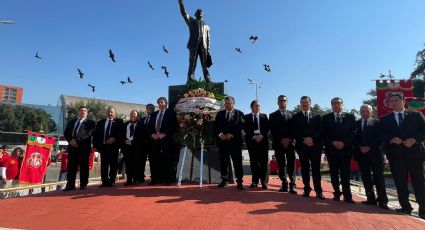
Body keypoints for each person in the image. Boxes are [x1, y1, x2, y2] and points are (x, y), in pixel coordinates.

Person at [379, 93, 425, 218]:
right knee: (400, 183)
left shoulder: (416, 115)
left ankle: (423, 209)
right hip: (396, 156)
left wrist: (415, 140)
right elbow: (381, 135)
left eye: (396, 100)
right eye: (391, 101)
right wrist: (391, 139)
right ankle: (405, 207)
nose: (393, 102)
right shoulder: (385, 119)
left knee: (419, 182)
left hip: (415, 155)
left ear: (403, 101)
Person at [322, 97, 356, 204]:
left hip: (345, 150)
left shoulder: (350, 117)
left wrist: (344, 143)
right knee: (334, 173)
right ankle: (337, 193)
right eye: (334, 104)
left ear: (342, 105)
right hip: (331, 150)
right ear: (331, 105)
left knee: (345, 173)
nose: (337, 105)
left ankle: (347, 195)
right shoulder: (326, 117)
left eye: (339, 103)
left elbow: (354, 132)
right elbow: (323, 133)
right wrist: (332, 142)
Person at [354, 104, 388, 209]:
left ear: (371, 111)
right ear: (360, 112)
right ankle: (371, 199)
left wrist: (369, 147)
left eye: (367, 111)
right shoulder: (356, 123)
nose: (364, 113)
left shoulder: (378, 123)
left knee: (379, 177)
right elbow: (354, 137)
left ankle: (383, 200)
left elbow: (381, 138)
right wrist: (360, 147)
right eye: (362, 111)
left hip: (375, 154)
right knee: (365, 177)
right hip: (361, 155)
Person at [291, 96, 325, 199]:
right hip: (302, 146)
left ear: (310, 103)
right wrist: (304, 140)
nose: (304, 104)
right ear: (300, 104)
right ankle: (307, 189)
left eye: (306, 102)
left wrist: (312, 139)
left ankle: (319, 191)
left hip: (315, 146)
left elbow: (321, 130)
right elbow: (294, 130)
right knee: (304, 169)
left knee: (316, 170)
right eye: (302, 102)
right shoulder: (296, 116)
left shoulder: (318, 115)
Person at [214, 96, 245, 190]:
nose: (228, 105)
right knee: (224, 162)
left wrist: (231, 134)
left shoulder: (240, 113)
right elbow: (216, 126)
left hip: (235, 142)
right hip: (223, 142)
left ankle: (239, 181)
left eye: (230, 103)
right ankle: (224, 180)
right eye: (226, 103)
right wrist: (220, 134)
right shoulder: (220, 114)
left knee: (237, 162)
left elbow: (241, 126)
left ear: (234, 104)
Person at [178, 0, 212, 82]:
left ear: (203, 15)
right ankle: (190, 78)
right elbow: (184, 13)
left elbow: (208, 39)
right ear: (195, 14)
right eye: (198, 12)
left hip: (203, 46)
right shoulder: (191, 21)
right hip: (194, 45)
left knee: (205, 64)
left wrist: (208, 49)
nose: (200, 13)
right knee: (192, 62)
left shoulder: (207, 27)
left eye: (201, 12)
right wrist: (181, 2)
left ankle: (207, 78)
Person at [63, 106, 95, 191]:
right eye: (81, 110)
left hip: (83, 148)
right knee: (71, 167)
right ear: (78, 112)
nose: (83, 112)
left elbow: (88, 134)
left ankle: (83, 184)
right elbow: (66, 133)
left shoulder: (90, 122)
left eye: (85, 111)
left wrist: (77, 141)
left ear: (87, 113)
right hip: (72, 147)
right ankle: (70, 185)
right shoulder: (72, 121)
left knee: (84, 167)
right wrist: (70, 141)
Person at [269, 95, 296, 194]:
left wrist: (289, 139)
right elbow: (272, 130)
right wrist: (281, 140)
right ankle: (284, 183)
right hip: (278, 143)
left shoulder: (293, 114)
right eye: (280, 101)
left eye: (284, 100)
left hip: (290, 143)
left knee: (291, 164)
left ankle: (292, 185)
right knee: (281, 164)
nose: (282, 102)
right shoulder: (272, 115)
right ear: (277, 103)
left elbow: (295, 129)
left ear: (287, 102)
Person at [148, 97, 178, 185]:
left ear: (166, 103)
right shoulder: (154, 114)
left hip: (166, 140)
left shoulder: (171, 113)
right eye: (159, 102)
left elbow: (173, 125)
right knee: (154, 160)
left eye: (162, 102)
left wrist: (164, 134)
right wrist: (152, 134)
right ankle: (155, 179)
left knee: (167, 160)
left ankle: (167, 179)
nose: (160, 104)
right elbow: (149, 126)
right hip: (155, 140)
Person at [93, 106, 124, 187]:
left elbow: (121, 133)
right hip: (103, 147)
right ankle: (104, 181)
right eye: (108, 112)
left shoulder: (119, 122)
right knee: (104, 165)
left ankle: (112, 181)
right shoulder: (100, 122)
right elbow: (96, 135)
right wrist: (95, 145)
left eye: (111, 112)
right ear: (106, 113)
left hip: (114, 146)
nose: (110, 113)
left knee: (113, 164)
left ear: (115, 113)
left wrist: (115, 138)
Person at [243, 100, 270, 189]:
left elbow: (267, 127)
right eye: (256, 106)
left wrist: (261, 135)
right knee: (253, 162)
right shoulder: (246, 117)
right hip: (252, 142)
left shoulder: (264, 116)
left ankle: (264, 182)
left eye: (259, 106)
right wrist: (255, 136)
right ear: (251, 107)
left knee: (263, 163)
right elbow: (246, 128)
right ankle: (254, 181)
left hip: (263, 142)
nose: (258, 107)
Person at [121, 110, 142, 185]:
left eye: (134, 114)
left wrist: (132, 142)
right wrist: (125, 141)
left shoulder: (141, 124)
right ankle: (129, 180)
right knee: (128, 164)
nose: (133, 115)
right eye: (131, 114)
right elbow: (121, 134)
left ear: (137, 116)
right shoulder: (125, 124)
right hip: (126, 147)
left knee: (136, 164)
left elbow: (141, 136)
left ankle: (135, 179)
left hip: (136, 147)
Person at [140, 103, 155, 183]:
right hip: (142, 144)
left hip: (152, 143)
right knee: (141, 160)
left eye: (150, 108)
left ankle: (154, 178)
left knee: (152, 161)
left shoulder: (156, 118)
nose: (148, 109)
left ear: (153, 109)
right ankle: (141, 177)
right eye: (147, 108)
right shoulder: (142, 119)